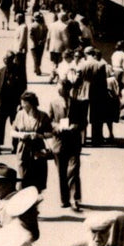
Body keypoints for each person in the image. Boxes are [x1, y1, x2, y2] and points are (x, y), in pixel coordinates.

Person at [46, 78, 82, 210]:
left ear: (67, 89)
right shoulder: (53, 103)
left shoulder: (77, 103)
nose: (58, 89)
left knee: (74, 170)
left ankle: (75, 199)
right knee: (61, 173)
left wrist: (76, 126)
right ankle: (64, 199)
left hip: (74, 141)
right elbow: (49, 122)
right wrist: (57, 127)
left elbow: (83, 122)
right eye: (58, 87)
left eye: (60, 87)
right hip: (59, 142)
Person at [11, 92, 52, 198]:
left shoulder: (43, 116)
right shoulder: (19, 114)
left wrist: (39, 135)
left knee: (37, 180)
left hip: (38, 149)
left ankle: (35, 202)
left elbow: (51, 133)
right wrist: (21, 135)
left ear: (31, 103)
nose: (22, 104)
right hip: (23, 149)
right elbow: (12, 132)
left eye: (24, 102)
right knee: (23, 178)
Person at [0, 51, 26, 157]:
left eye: (8, 60)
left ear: (12, 60)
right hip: (2, 103)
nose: (6, 62)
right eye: (5, 60)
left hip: (14, 104)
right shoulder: (1, 71)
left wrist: (21, 103)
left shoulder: (19, 71)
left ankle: (15, 145)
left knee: (14, 124)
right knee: (0, 124)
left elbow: (23, 88)